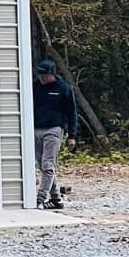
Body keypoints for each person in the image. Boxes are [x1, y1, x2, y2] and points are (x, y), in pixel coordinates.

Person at [33, 58, 78, 210]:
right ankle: (56, 199)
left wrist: (72, 135)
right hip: (36, 128)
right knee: (43, 166)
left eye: (44, 75)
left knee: (48, 165)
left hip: (54, 129)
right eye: (40, 75)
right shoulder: (35, 86)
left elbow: (72, 113)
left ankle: (40, 198)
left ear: (52, 74)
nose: (42, 78)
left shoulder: (64, 88)